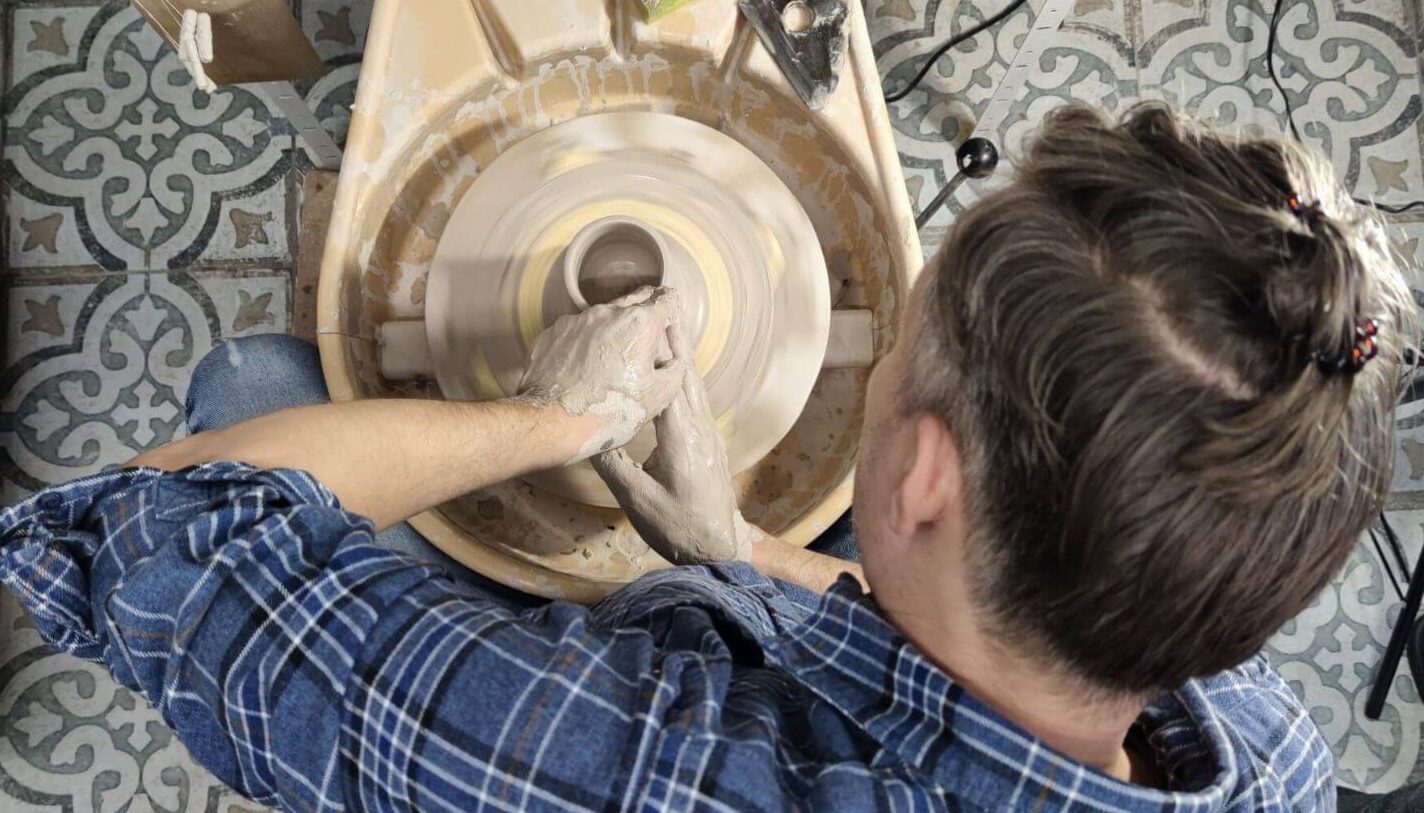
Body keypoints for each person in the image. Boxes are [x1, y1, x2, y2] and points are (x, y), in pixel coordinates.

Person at [0, 103, 1412, 812]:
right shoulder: (1264, 756)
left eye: (905, 336)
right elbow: (986, 672)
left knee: (247, 388)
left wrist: (552, 424)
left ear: (924, 477)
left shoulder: (646, 773)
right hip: (815, 623)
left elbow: (159, 522)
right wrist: (735, 547)